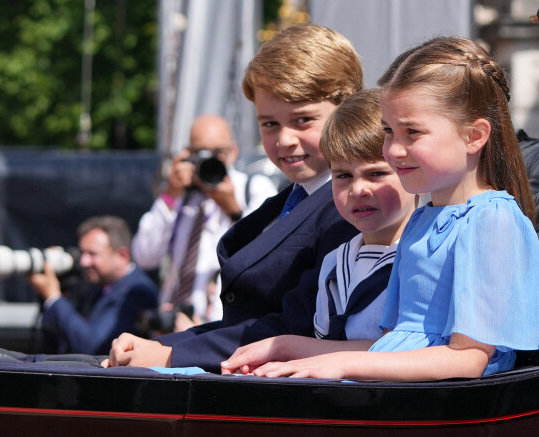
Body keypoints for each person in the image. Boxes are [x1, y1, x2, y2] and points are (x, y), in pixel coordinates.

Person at [221, 36, 539, 380]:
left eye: (412, 132)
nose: (393, 150)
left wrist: (338, 364)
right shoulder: (424, 219)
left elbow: (468, 359)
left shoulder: (490, 220)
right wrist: (287, 348)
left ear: (474, 136)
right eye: (390, 131)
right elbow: (393, 346)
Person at [103, 24, 362, 372]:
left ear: (349, 111)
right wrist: (159, 345)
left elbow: (298, 323)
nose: (284, 139)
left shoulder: (353, 208)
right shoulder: (289, 201)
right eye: (269, 124)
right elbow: (246, 322)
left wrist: (170, 356)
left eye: (302, 120)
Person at [221, 88, 417, 375]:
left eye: (376, 173)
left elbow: (411, 352)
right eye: (343, 176)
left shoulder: (424, 255)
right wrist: (278, 355)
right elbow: (325, 343)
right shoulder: (335, 263)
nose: (359, 189)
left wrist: (288, 349)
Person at [132, 114, 276, 331]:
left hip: (220, 327)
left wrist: (234, 211)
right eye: (200, 153)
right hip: (169, 324)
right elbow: (145, 256)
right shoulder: (181, 196)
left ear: (233, 152)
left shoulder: (253, 189)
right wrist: (170, 196)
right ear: (188, 154)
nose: (209, 160)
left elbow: (269, 258)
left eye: (217, 153)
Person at [27, 216, 158, 355]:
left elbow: (93, 346)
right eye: (82, 253)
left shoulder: (136, 292)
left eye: (92, 254)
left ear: (122, 255)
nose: (84, 262)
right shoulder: (98, 284)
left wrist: (53, 297)